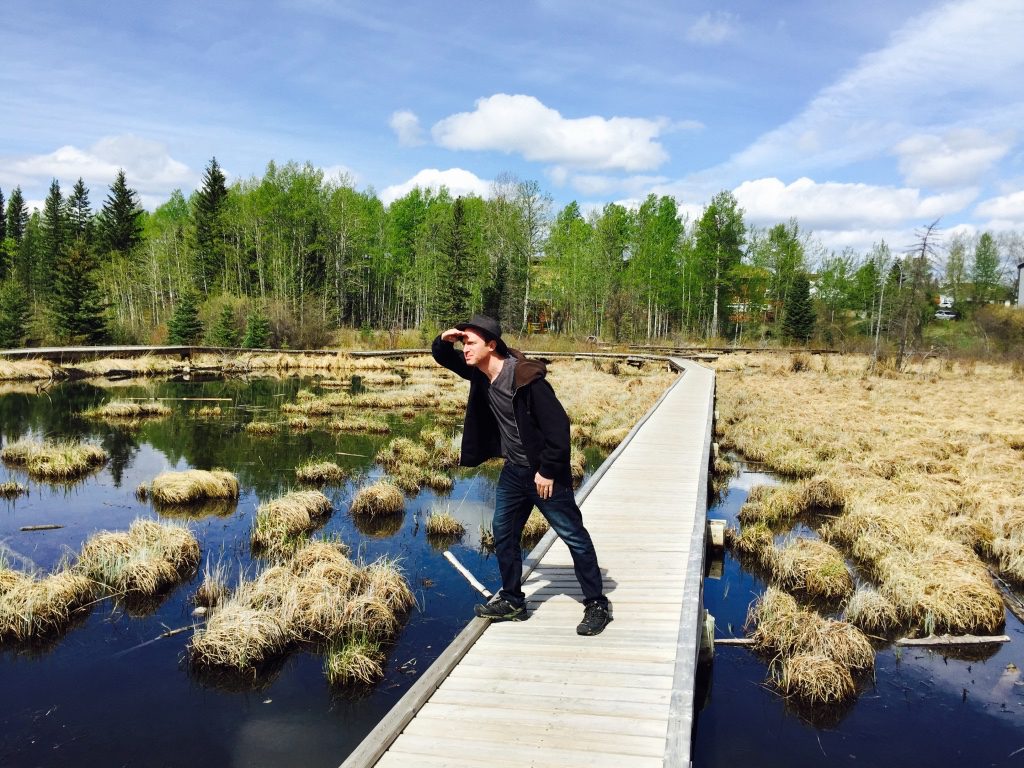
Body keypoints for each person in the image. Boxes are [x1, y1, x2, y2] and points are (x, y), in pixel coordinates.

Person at [432, 314, 612, 636]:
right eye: (463, 343)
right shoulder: (479, 373)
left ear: (491, 345)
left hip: (545, 475)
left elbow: (559, 428)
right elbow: (444, 358)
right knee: (503, 532)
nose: (465, 349)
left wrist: (547, 471)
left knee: (573, 535)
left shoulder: (527, 380)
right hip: (515, 471)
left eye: (469, 343)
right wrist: (445, 340)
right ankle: (513, 600)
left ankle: (597, 603)